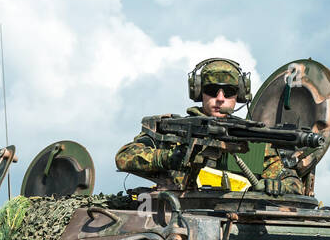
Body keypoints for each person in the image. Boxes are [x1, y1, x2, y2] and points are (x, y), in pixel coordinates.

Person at [115, 57, 303, 193]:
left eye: (229, 92)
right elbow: (124, 157)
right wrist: (170, 157)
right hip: (175, 217)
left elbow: (292, 182)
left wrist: (282, 185)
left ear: (240, 96)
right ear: (198, 92)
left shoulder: (253, 139)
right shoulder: (175, 129)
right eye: (212, 91)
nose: (220, 99)